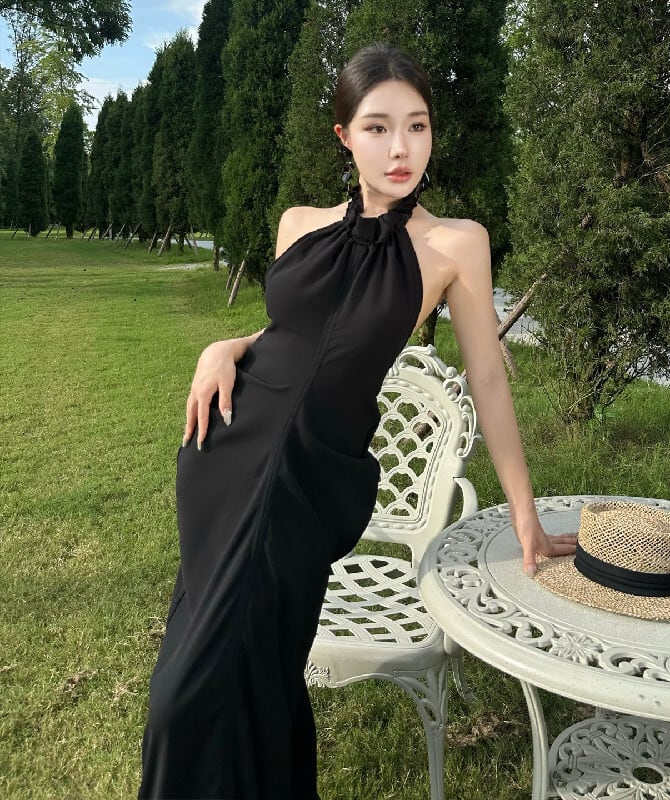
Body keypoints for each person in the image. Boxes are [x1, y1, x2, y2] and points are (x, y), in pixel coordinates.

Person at [138, 42, 576, 800]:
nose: (401, 148)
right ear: (345, 136)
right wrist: (224, 346)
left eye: (417, 125)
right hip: (224, 459)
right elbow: (292, 337)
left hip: (305, 485)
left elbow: (488, 384)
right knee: (214, 667)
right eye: (377, 127)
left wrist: (526, 516)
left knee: (208, 686)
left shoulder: (455, 245)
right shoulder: (298, 223)